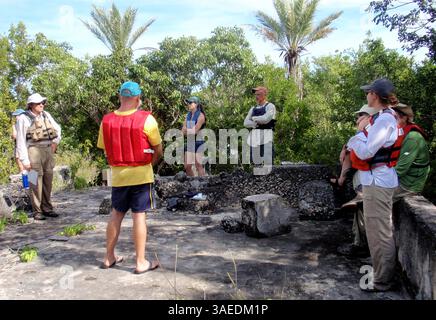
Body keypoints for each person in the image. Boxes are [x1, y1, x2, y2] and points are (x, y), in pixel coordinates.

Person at [97, 81, 162, 274]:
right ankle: (140, 262)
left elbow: (106, 149)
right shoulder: (147, 120)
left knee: (116, 214)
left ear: (120, 97)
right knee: (139, 216)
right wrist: (151, 162)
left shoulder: (106, 121)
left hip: (118, 177)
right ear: (138, 99)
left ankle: (109, 257)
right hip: (141, 175)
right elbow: (158, 148)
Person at [346, 78, 399, 292]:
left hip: (378, 183)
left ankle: (382, 281)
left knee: (380, 233)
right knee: (378, 231)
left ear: (374, 95)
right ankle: (381, 275)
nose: (366, 95)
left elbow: (367, 151)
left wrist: (356, 136)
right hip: (377, 181)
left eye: (368, 92)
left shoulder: (384, 120)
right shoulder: (383, 118)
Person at [15, 93, 61, 221]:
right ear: (31, 105)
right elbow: (20, 140)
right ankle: (37, 211)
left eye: (43, 102)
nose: (42, 105)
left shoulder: (46, 115)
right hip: (32, 152)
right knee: (34, 181)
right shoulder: (23, 118)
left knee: (48, 180)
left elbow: (58, 129)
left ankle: (47, 208)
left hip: (47, 151)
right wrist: (25, 160)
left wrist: (55, 143)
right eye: (38, 103)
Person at [244, 86, 276, 165]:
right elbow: (245, 123)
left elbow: (266, 119)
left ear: (264, 95)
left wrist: (253, 118)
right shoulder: (253, 109)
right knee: (256, 164)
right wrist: (256, 123)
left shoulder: (270, 106)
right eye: (256, 95)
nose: (256, 97)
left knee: (268, 163)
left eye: (258, 94)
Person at [182, 96, 206, 176]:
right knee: (187, 166)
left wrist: (187, 131)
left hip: (199, 142)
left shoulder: (201, 116)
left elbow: (195, 131)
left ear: (196, 104)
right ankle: (193, 183)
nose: (188, 104)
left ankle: (203, 184)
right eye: (188, 103)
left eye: (190, 103)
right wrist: (188, 131)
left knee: (198, 165)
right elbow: (183, 130)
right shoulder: (187, 115)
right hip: (190, 142)